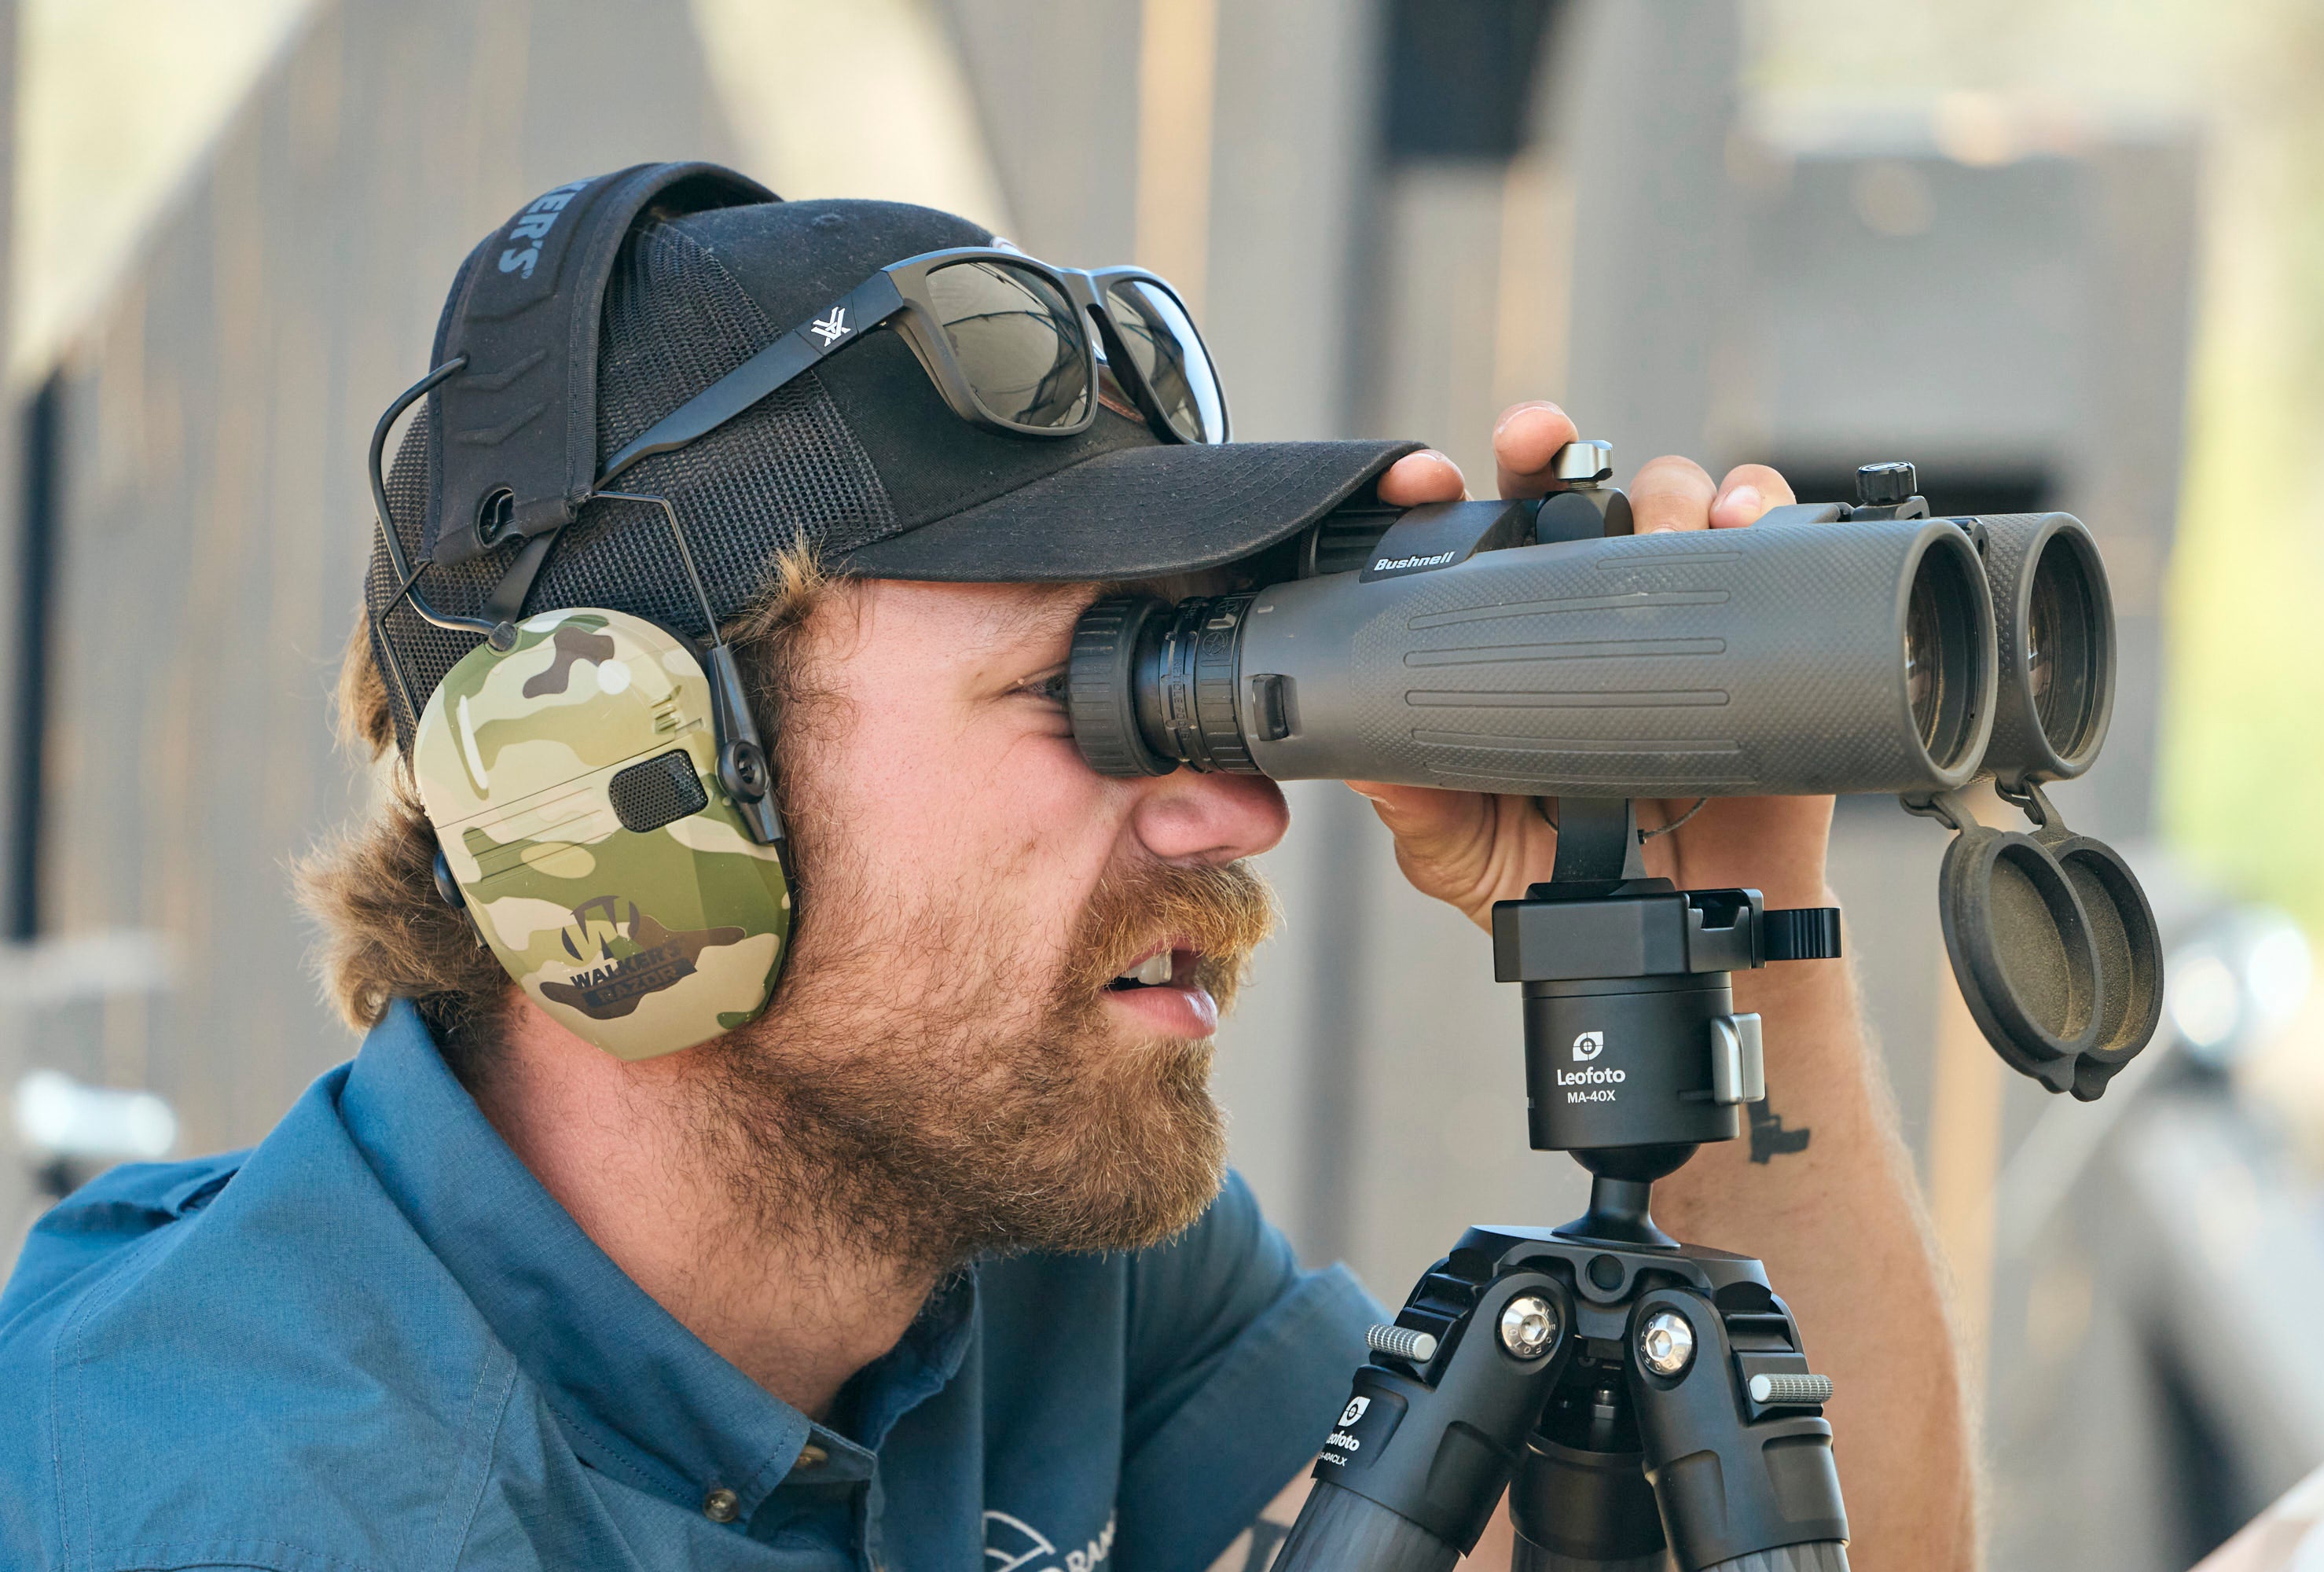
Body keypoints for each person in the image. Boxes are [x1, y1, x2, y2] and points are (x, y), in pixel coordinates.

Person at [0, 167, 1973, 1571]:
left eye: (1207, 691)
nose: (1239, 811)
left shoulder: (1011, 1233)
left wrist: (1739, 910)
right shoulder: (243, 1500)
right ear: (623, 798)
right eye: (1095, 697)